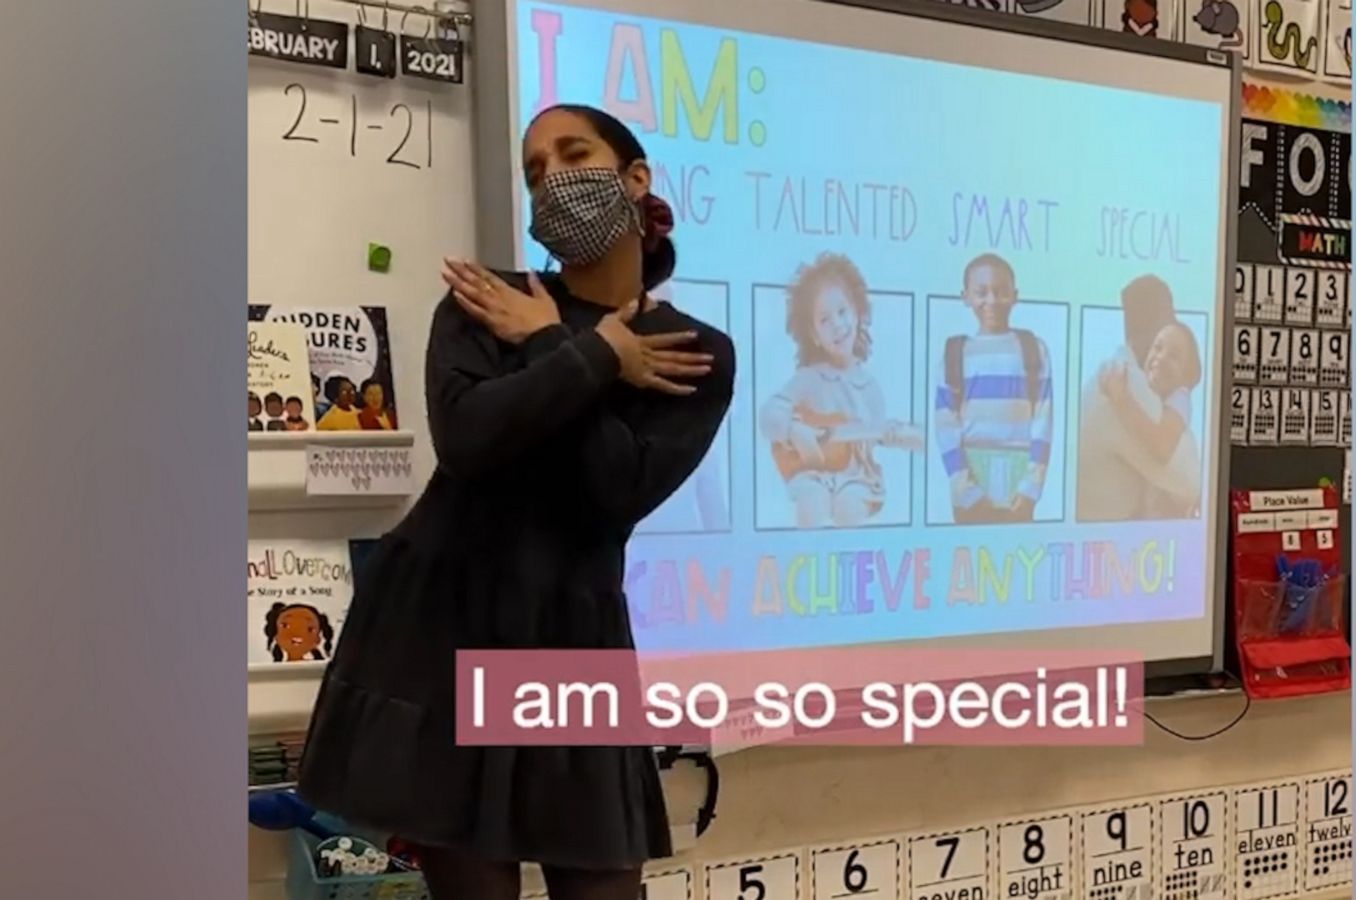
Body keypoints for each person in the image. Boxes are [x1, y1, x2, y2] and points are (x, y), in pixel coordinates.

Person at [295, 105, 736, 900]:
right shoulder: (482, 299)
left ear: (636, 180)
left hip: (573, 638)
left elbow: (616, 490)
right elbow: (468, 441)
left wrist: (548, 346)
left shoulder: (691, 349)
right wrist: (600, 356)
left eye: (574, 154)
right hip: (443, 628)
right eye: (535, 170)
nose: (553, 178)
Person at [758, 253, 922, 528]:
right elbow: (768, 414)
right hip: (812, 473)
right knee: (811, 502)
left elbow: (869, 441)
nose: (837, 325)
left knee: (850, 505)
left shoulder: (870, 388)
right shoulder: (808, 379)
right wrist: (793, 430)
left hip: (856, 477)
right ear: (813, 334)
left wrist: (889, 434)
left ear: (858, 312)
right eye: (824, 320)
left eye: (842, 312)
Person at [933, 254, 1053, 524]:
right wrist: (965, 489)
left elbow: (1043, 420)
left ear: (1015, 295)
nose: (991, 301)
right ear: (965, 297)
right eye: (981, 292)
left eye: (1000, 292)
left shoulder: (1034, 350)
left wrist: (1031, 488)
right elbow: (945, 426)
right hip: (969, 492)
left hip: (1018, 492)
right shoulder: (955, 354)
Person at [1096, 319, 1203, 518]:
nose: (1160, 358)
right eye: (1158, 347)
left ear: (1188, 377)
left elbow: (1162, 446)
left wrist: (1121, 398)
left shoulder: (1180, 397)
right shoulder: (1144, 389)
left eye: (1174, 356)